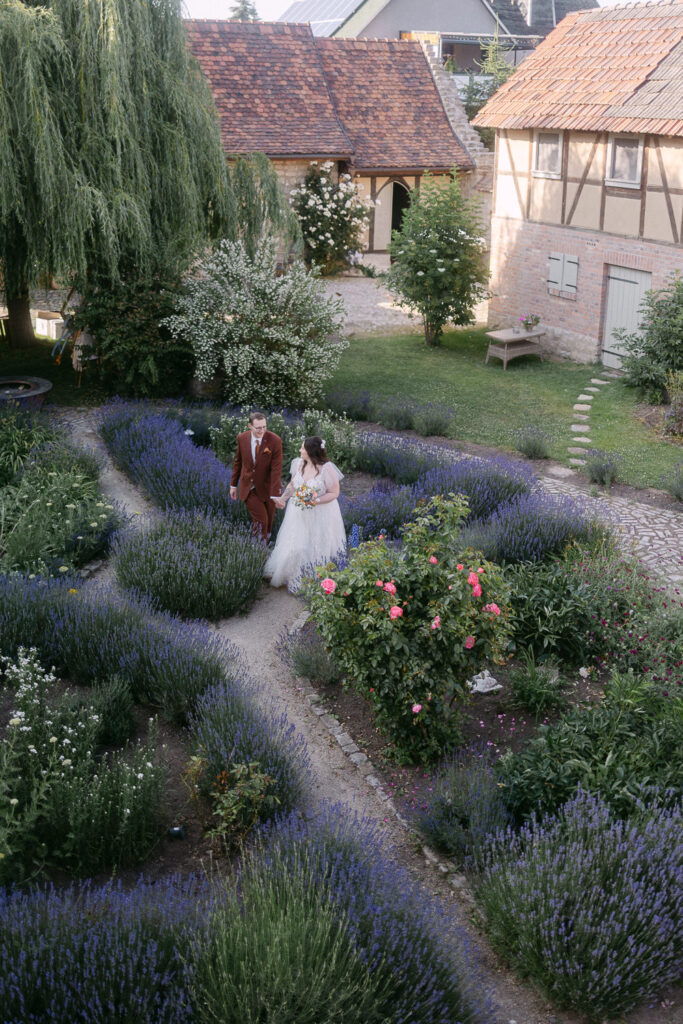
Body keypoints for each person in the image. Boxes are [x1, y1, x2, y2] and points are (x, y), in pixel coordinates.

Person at [264, 436, 346, 592]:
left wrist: (314, 500)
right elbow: (293, 484)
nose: (300, 450)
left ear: (310, 451)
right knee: (295, 543)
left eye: (302, 448)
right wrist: (283, 498)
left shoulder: (327, 469)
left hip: (321, 513)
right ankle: (289, 573)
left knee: (315, 543)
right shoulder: (298, 464)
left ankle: (312, 577)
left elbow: (334, 493)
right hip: (298, 512)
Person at [230, 411, 283, 541]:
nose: (262, 430)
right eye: (258, 427)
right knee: (261, 521)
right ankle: (257, 551)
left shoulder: (275, 440)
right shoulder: (242, 438)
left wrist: (275, 493)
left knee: (269, 521)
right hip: (249, 487)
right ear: (250, 426)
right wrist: (233, 485)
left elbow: (277, 469)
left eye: (264, 426)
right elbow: (238, 462)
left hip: (268, 487)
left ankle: (266, 542)